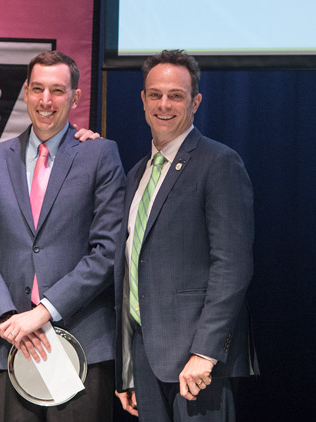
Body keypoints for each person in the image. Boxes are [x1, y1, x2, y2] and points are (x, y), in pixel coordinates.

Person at [0, 50, 125, 422]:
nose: (46, 101)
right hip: (10, 342)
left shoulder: (99, 154)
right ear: (25, 91)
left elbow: (107, 250)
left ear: (76, 97)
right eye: (37, 89)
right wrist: (7, 317)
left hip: (81, 340)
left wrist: (42, 313)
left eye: (57, 90)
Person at [114, 49, 259, 421]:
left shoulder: (219, 162)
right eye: (156, 94)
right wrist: (128, 367)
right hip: (147, 360)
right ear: (143, 100)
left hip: (197, 366)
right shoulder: (136, 175)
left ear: (195, 102)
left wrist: (206, 352)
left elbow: (233, 265)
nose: (165, 104)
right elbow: (133, 269)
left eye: (176, 95)